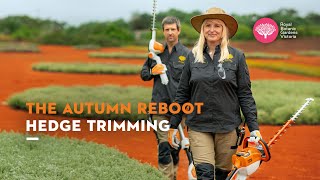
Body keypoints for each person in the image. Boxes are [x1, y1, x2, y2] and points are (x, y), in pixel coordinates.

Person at [169, 7, 262, 180]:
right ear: (202, 30)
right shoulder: (192, 57)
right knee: (204, 174)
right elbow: (182, 93)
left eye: (217, 25)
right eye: (208, 25)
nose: (212, 29)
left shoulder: (237, 57)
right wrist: (173, 125)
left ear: (223, 30)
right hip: (198, 125)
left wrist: (254, 128)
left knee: (221, 174)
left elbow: (245, 94)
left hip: (228, 127)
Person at [140, 16, 190, 180]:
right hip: (159, 108)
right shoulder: (155, 53)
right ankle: (166, 178)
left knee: (174, 147)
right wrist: (153, 71)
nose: (170, 32)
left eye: (173, 29)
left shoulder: (187, 54)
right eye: (167, 29)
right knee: (164, 147)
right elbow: (144, 74)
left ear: (178, 31)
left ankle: (173, 175)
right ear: (163, 31)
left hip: (179, 110)